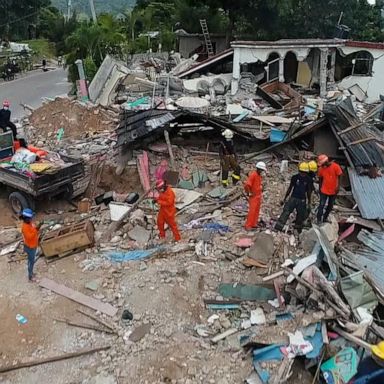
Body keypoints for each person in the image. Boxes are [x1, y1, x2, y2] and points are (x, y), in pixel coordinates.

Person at [275, 162, 312, 233]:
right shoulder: (295, 177)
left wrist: (309, 202)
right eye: (302, 172)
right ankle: (278, 227)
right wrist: (285, 198)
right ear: (299, 171)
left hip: (302, 200)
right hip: (293, 197)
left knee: (300, 215)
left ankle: (297, 230)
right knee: (286, 211)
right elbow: (290, 188)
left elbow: (308, 191)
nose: (303, 174)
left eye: (304, 173)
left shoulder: (308, 180)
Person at [316, 154, 343, 224]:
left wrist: (338, 186)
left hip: (333, 190)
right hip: (324, 190)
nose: (322, 165)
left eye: (322, 164)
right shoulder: (321, 169)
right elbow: (320, 179)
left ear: (326, 161)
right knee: (321, 205)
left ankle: (325, 218)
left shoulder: (335, 166)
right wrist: (320, 188)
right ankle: (318, 220)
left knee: (330, 205)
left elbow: (340, 176)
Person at [244, 161, 266, 231]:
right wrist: (249, 193)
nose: (262, 171)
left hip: (258, 196)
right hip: (254, 196)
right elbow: (247, 185)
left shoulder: (259, 175)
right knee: (252, 211)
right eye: (262, 170)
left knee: (256, 210)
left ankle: (254, 223)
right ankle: (248, 225)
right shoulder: (253, 175)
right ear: (258, 169)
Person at [20, 209, 39, 282]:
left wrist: (35, 228)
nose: (32, 219)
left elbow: (33, 229)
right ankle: (30, 277)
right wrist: (35, 230)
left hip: (32, 245)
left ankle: (31, 272)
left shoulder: (28, 223)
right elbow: (29, 237)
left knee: (30, 260)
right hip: (30, 247)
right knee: (31, 262)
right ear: (26, 219)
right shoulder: (25, 227)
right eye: (30, 218)